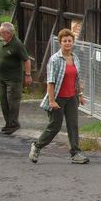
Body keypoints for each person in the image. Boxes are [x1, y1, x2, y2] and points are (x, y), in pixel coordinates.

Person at [28, 28, 89, 164]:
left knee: (73, 125)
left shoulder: (75, 58)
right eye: (64, 41)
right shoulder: (54, 59)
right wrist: (51, 100)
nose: (67, 43)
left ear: (73, 42)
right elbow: (50, 82)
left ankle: (75, 153)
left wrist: (80, 95)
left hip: (72, 98)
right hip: (58, 98)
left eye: (69, 41)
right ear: (60, 42)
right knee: (55, 126)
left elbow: (77, 79)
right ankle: (37, 146)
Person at [0, 22, 32, 134]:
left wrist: (28, 75)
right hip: (1, 78)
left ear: (9, 33)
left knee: (12, 102)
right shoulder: (2, 40)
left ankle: (14, 124)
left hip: (13, 80)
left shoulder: (17, 44)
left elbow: (26, 60)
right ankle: (8, 123)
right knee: (3, 101)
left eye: (2, 33)